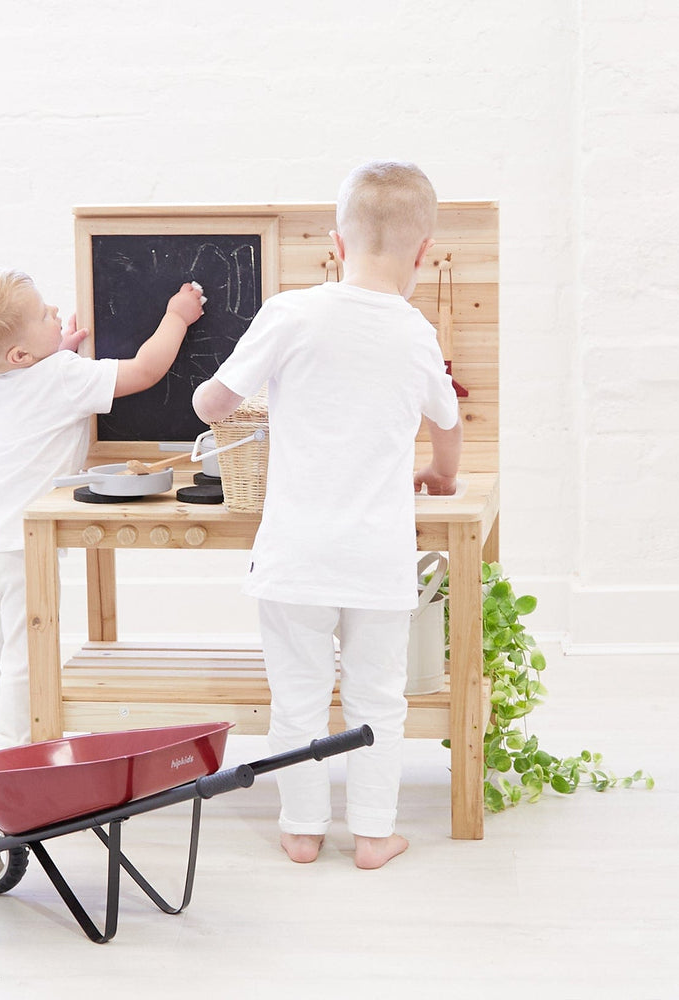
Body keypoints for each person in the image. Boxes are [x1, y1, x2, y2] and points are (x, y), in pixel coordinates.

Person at [192, 161, 462, 869]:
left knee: (299, 695)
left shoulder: (291, 312)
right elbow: (448, 423)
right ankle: (374, 835)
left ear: (336, 243)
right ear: (423, 251)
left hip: (295, 555)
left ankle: (302, 830)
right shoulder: (416, 334)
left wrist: (214, 401)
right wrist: (440, 473)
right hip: (376, 559)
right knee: (380, 698)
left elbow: (214, 405)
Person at [0, 268, 204, 758]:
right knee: (25, 656)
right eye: (43, 314)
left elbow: (31, 382)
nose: (56, 312)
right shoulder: (63, 377)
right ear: (20, 354)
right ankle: (19, 748)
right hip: (22, 550)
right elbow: (145, 370)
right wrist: (176, 316)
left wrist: (52, 348)